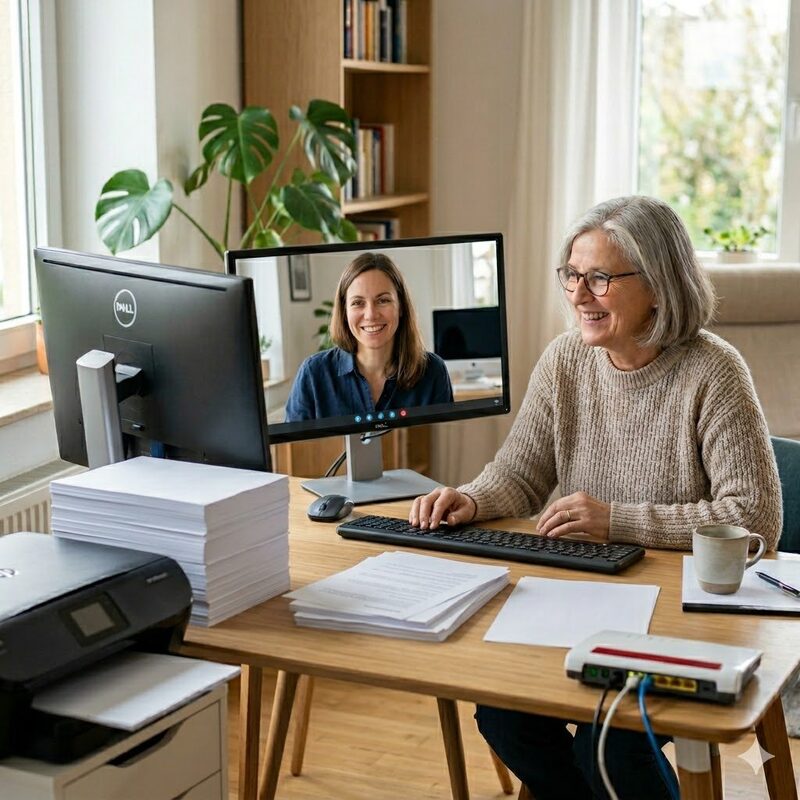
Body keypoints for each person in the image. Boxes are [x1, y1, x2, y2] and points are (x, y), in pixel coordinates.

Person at [409, 195, 782, 800]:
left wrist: (618, 521)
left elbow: (754, 518)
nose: (580, 295)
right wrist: (471, 500)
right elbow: (521, 473)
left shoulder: (715, 371)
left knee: (607, 736)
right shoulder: (565, 361)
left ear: (658, 286)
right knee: (502, 711)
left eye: (601, 278)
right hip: (582, 600)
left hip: (680, 616)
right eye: (573, 275)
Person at [285, 252, 453, 422]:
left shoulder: (433, 372)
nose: (371, 315)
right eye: (358, 303)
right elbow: (294, 447)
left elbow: (442, 446)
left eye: (383, 300)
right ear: (344, 312)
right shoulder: (313, 374)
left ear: (401, 307)